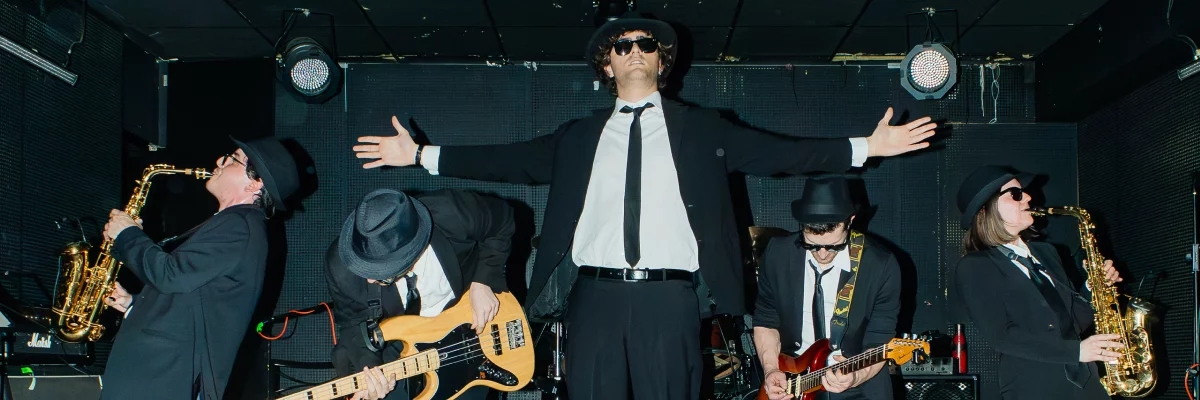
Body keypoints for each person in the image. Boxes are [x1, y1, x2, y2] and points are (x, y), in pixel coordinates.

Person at [351, 12, 937, 399]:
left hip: (670, 298)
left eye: (645, 44)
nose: (634, 51)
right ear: (607, 65)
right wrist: (420, 154)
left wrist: (866, 147)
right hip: (594, 297)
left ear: (662, 61)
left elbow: (781, 153)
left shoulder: (703, 128)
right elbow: (508, 160)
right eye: (621, 46)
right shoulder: (578, 137)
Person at [100, 136, 300, 399]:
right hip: (159, 371)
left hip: (163, 373)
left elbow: (170, 275)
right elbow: (192, 295)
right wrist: (134, 304)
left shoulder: (239, 226)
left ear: (255, 182)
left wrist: (127, 235)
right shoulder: (235, 224)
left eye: (232, 159)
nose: (220, 161)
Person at [952, 165, 1124, 399]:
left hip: (1086, 379)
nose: (1028, 197)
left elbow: (1074, 322)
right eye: (1015, 194)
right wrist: (1076, 351)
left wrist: (1093, 288)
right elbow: (1001, 337)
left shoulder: (1047, 253)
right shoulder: (975, 265)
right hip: (1034, 384)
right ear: (985, 209)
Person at [325, 188, 515, 400]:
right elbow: (352, 322)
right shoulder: (341, 269)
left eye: (381, 273)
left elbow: (503, 219)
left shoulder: (452, 212)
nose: (368, 279)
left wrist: (484, 282)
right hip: (397, 340)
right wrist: (370, 371)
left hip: (467, 323)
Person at [753, 177, 900, 400]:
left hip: (858, 385)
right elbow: (766, 320)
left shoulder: (880, 265)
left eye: (833, 246)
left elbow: (879, 339)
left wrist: (855, 376)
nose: (822, 254)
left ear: (850, 221)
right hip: (793, 378)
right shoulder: (778, 254)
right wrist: (771, 369)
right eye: (811, 245)